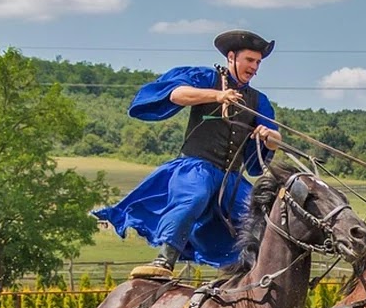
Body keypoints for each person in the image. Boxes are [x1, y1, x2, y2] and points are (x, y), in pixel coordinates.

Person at [94, 30, 283, 279]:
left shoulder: (258, 100)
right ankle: (164, 260)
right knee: (195, 196)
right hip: (197, 167)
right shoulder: (206, 78)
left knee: (263, 214)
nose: (255, 67)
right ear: (231, 57)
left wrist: (269, 138)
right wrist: (217, 95)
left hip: (232, 178)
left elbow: (275, 137)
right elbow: (176, 94)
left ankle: (257, 272)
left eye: (258, 62)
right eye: (250, 60)